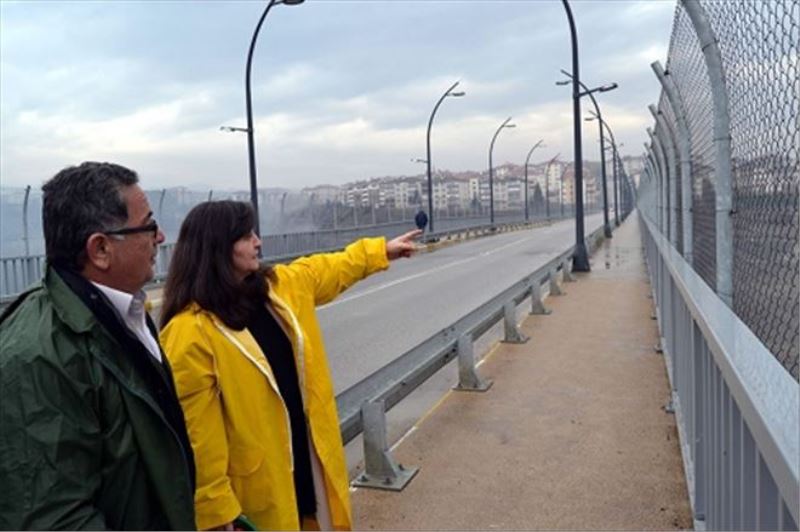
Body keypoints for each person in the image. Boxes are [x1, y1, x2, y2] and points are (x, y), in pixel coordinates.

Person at [159, 201, 420, 531]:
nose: (258, 242)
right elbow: (199, 441)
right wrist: (217, 514)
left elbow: (326, 268)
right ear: (217, 247)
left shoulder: (275, 289)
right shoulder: (189, 333)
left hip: (305, 468)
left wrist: (381, 252)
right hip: (255, 498)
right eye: (246, 236)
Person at [0, 162, 196, 530]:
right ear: (101, 249)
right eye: (148, 226)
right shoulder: (38, 356)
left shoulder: (121, 314)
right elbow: (55, 518)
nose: (160, 237)